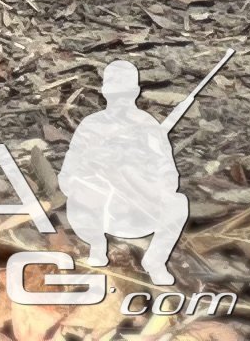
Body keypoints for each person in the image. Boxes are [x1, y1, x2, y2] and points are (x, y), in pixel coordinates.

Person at [63, 61, 190, 285]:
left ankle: (155, 261)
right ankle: (97, 246)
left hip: (139, 210)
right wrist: (94, 176)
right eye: (115, 94)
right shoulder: (91, 125)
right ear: (105, 94)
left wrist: (144, 184)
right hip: (100, 212)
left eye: (126, 94)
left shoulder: (148, 126)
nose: (120, 101)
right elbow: (67, 177)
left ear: (136, 93)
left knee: (178, 203)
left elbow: (168, 173)